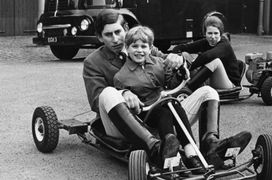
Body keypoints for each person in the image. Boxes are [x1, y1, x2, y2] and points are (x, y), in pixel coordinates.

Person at [83, 9, 251, 170]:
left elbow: (164, 63)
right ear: (99, 37)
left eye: (118, 32)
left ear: (126, 29)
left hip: (159, 115)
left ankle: (211, 146)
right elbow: (97, 101)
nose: (115, 39)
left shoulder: (141, 44)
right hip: (122, 123)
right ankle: (155, 149)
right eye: (108, 35)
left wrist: (177, 59)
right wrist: (123, 93)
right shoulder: (93, 62)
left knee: (209, 92)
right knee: (109, 93)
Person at [113, 25, 206, 173]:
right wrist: (128, 97)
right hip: (145, 114)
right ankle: (170, 155)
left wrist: (180, 74)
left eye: (144, 46)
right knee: (166, 110)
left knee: (173, 105)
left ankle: (190, 153)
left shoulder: (158, 63)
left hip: (166, 105)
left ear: (150, 48)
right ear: (127, 48)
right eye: (134, 46)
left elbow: (172, 82)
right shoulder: (121, 76)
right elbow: (123, 104)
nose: (139, 50)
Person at [172, 11, 242, 90]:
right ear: (205, 33)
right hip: (211, 79)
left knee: (216, 61)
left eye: (216, 33)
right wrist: (174, 56)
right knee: (185, 54)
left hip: (230, 84)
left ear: (220, 33)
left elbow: (207, 56)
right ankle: (177, 81)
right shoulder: (205, 42)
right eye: (210, 33)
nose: (213, 37)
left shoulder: (224, 45)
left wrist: (190, 67)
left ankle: (188, 88)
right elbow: (181, 47)